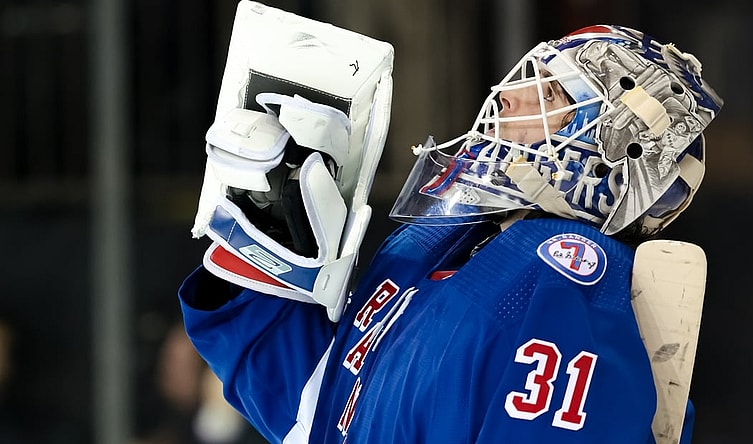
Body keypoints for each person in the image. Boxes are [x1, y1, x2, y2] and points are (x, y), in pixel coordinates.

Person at [179, 23, 722, 444]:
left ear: (615, 152)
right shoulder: (435, 240)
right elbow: (316, 415)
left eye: (553, 93)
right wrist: (267, 242)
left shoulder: (566, 273)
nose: (509, 95)